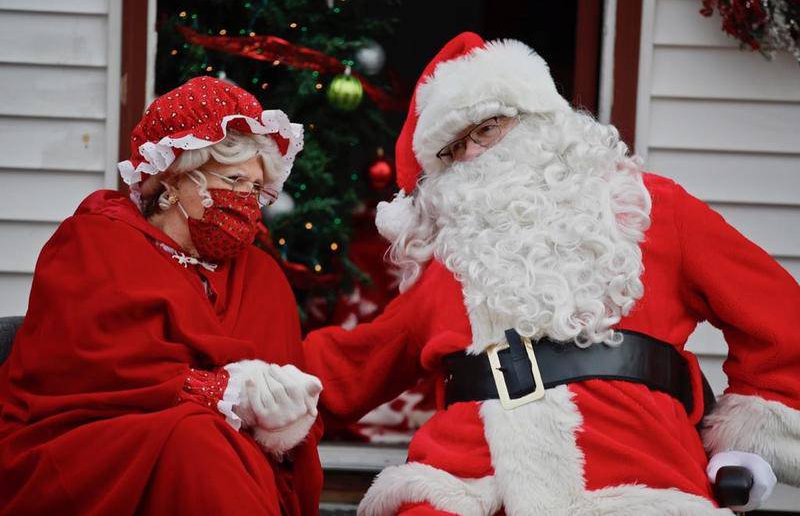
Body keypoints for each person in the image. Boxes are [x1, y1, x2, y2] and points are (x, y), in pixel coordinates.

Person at [303, 33, 800, 515]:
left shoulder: (651, 207)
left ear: (540, 119)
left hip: (636, 479)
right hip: (470, 488)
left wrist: (751, 440)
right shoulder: (453, 260)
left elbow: (778, 315)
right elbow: (354, 365)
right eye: (452, 150)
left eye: (486, 129)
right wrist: (246, 378)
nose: (472, 155)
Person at [0, 76, 324, 515]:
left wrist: (284, 418)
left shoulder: (263, 276)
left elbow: (289, 397)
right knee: (196, 440)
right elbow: (81, 367)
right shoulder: (95, 243)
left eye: (255, 189)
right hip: (93, 442)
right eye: (233, 180)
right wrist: (217, 392)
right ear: (174, 178)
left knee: (204, 444)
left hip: (230, 462)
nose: (246, 200)